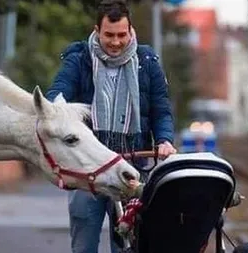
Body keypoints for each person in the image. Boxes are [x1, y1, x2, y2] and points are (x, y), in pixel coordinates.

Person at [45, 0, 177, 252]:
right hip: (88, 169)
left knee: (128, 244)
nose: (115, 42)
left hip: (132, 166)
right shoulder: (79, 59)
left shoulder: (147, 62)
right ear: (97, 30)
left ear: (130, 31)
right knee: (84, 244)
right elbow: (59, 91)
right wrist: (55, 105)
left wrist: (164, 140)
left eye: (121, 35)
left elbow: (161, 109)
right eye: (109, 35)